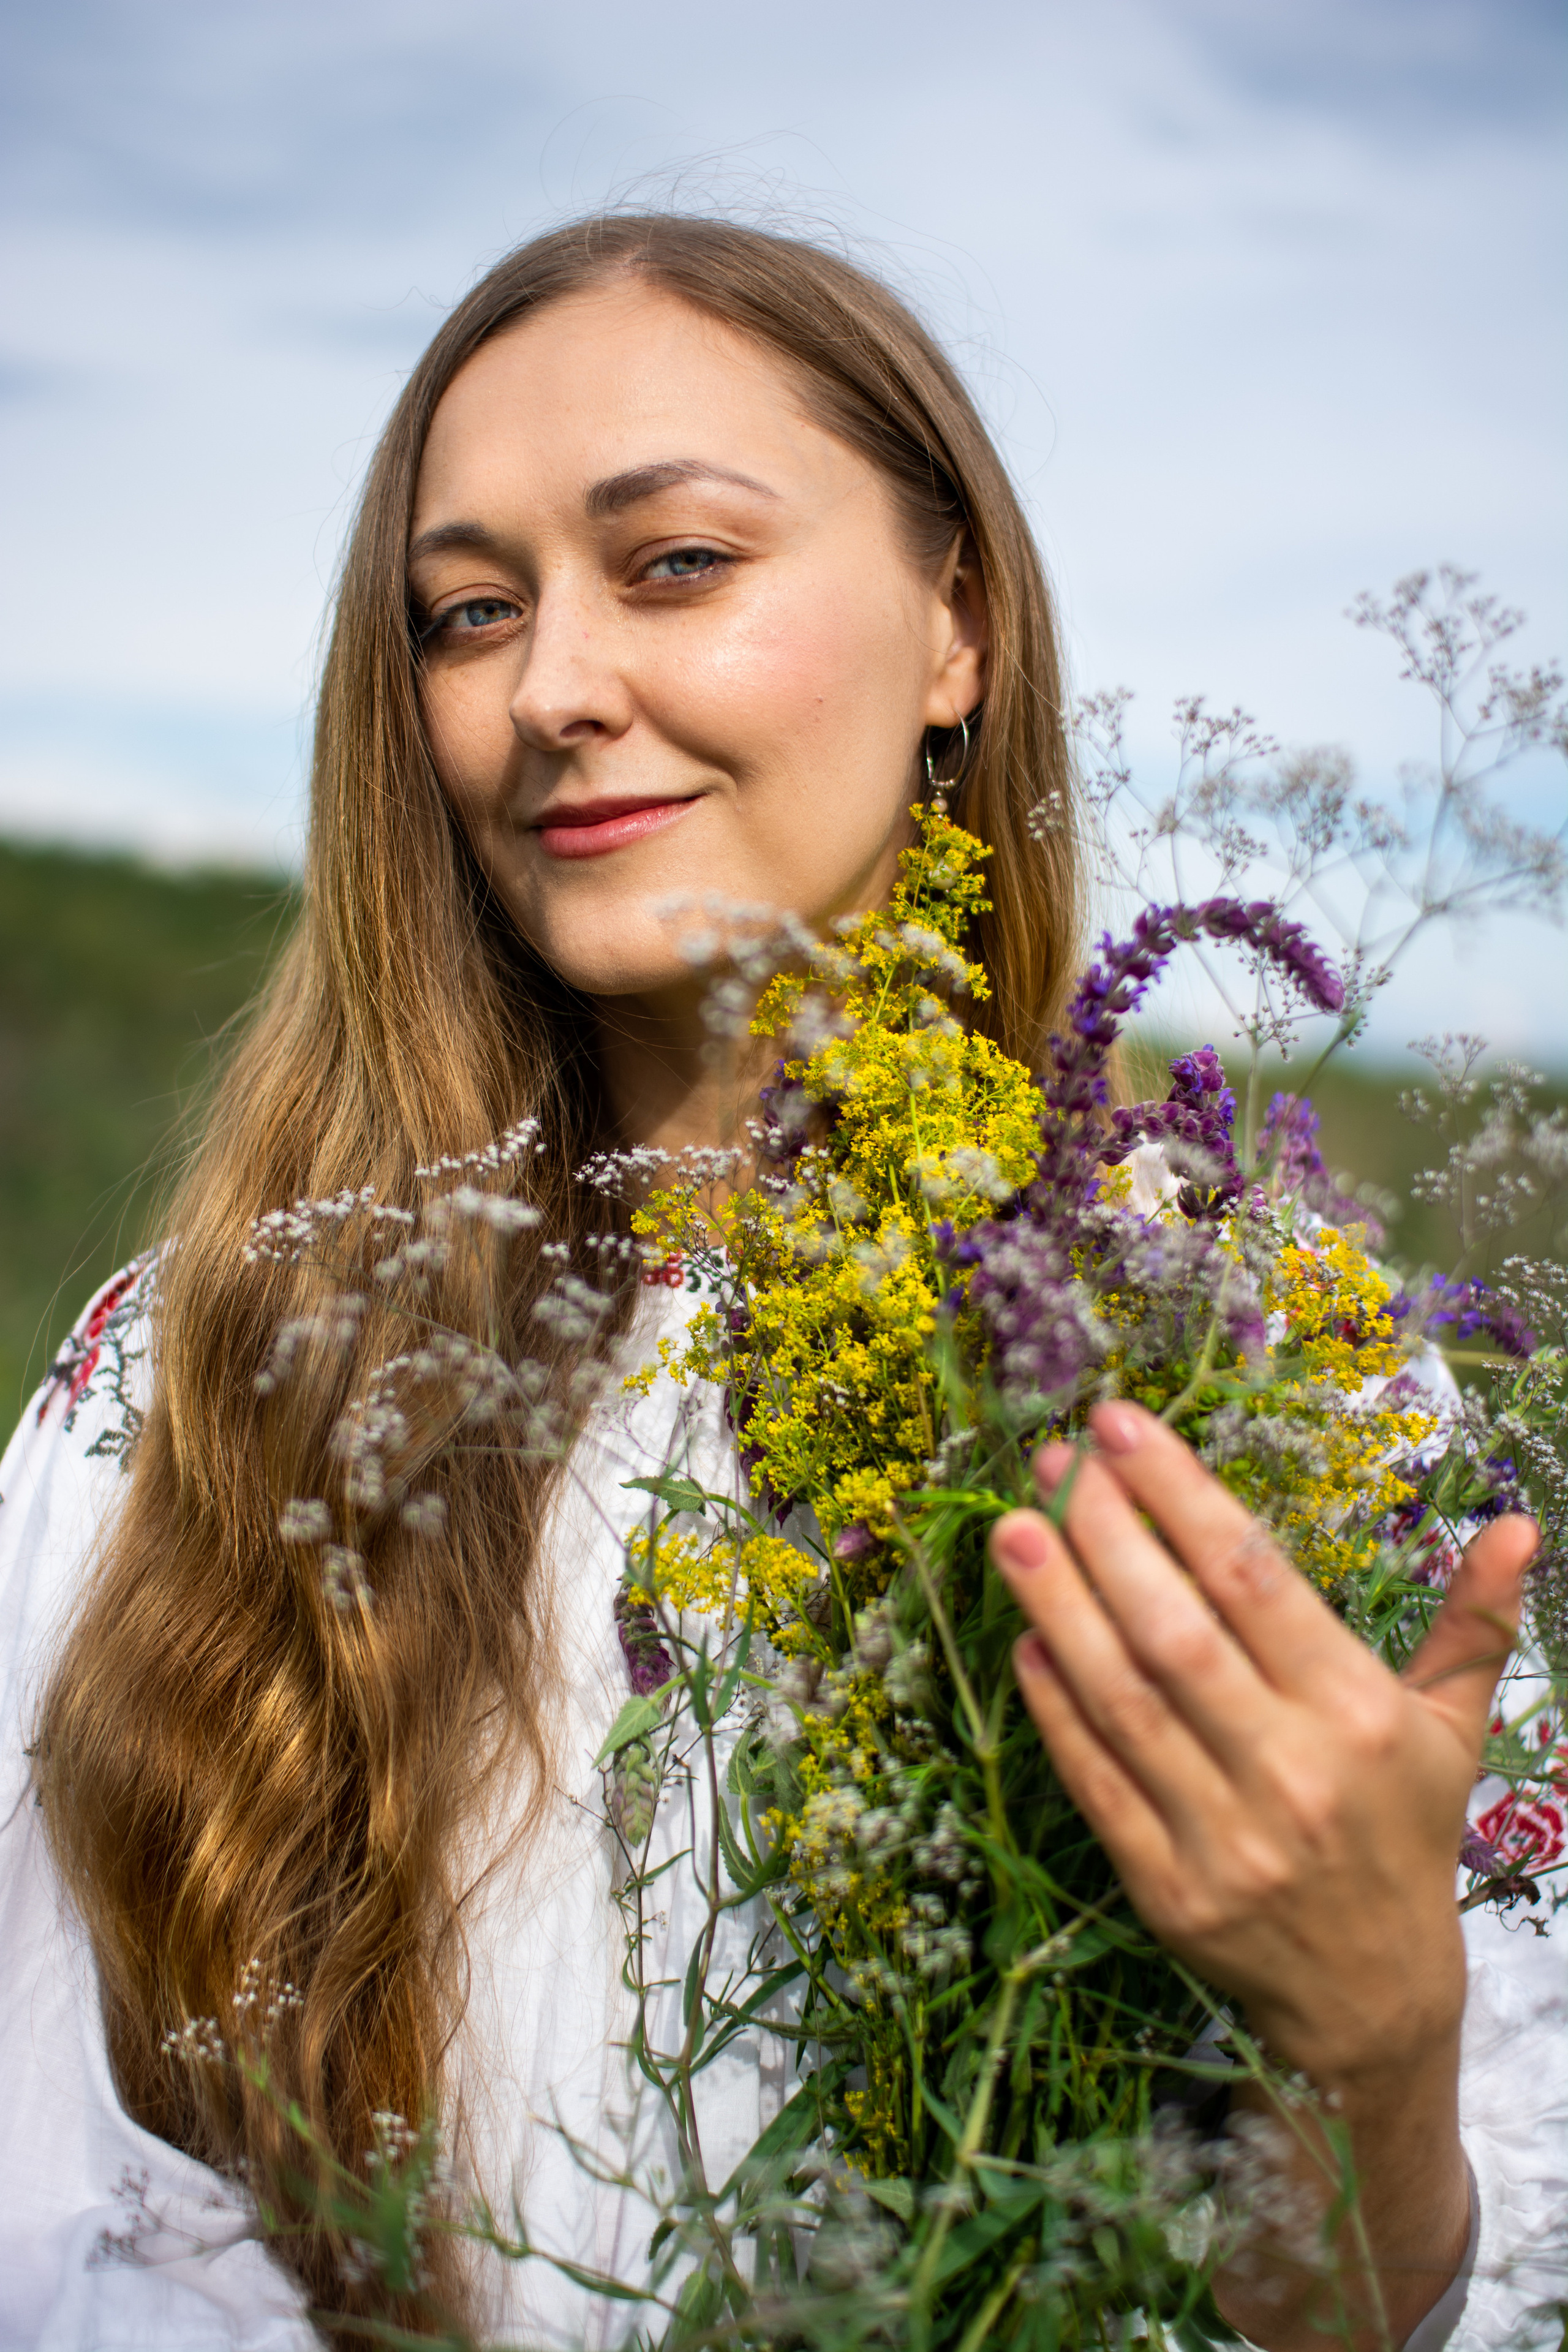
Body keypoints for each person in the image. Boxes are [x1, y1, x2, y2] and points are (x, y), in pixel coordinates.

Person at [0, 214, 1560, 2352]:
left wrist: (1375, 2050)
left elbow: (1428, 2284)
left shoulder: (1258, 1378)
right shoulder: (188, 1378)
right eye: (469, 613)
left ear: (957, 627)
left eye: (675, 564)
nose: (553, 688)